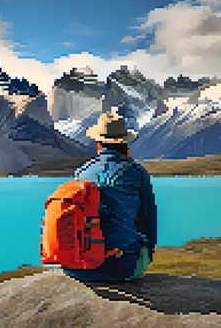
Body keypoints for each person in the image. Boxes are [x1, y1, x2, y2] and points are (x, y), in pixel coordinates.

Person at [62, 111, 158, 282]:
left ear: (99, 142)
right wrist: (147, 252)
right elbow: (148, 221)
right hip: (120, 267)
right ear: (125, 143)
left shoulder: (82, 172)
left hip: (77, 268)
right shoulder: (136, 173)